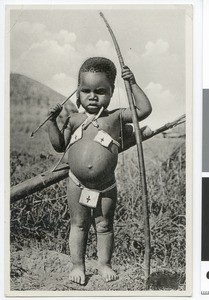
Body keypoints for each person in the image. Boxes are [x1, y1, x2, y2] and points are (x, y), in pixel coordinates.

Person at [48, 57, 152, 285]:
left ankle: (104, 264)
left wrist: (132, 82)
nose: (92, 96)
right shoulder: (74, 120)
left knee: (104, 227)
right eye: (86, 90)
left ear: (112, 91)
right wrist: (52, 123)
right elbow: (58, 146)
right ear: (77, 91)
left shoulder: (115, 117)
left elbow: (144, 110)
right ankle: (78, 265)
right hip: (77, 184)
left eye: (100, 91)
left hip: (106, 187)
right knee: (79, 225)